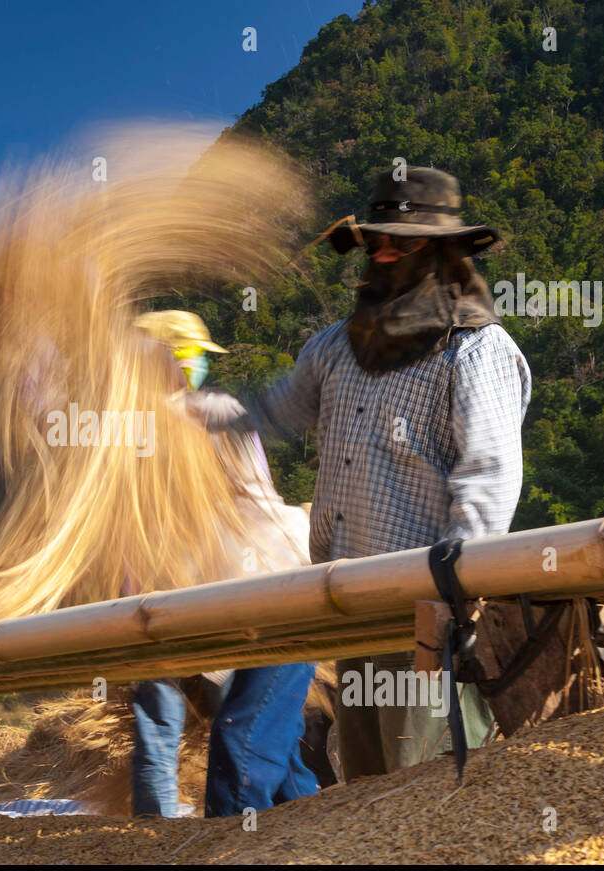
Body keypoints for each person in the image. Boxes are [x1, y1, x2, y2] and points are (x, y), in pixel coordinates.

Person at [215, 166, 531, 780]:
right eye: (376, 242)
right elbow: (277, 410)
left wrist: (457, 591)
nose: (384, 252)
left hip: (426, 604)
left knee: (429, 781)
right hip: (352, 598)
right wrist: (187, 411)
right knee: (366, 783)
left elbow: (488, 475)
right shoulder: (336, 346)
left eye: (403, 242)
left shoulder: (474, 347)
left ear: (441, 252)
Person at [128, 310, 319, 818]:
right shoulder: (147, 425)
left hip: (269, 585)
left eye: (193, 358)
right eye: (188, 356)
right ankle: (320, 828)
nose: (194, 367)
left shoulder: (210, 410)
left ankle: (233, 841)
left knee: (243, 740)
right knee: (272, 741)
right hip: (221, 593)